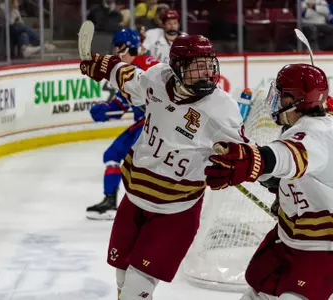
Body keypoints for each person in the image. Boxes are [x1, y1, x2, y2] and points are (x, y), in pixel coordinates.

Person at [79, 34, 247, 299]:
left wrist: (235, 164)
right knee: (122, 280)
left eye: (208, 64)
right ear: (177, 67)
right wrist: (106, 66)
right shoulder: (158, 77)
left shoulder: (221, 108)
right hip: (134, 200)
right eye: (197, 66)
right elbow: (131, 78)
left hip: (175, 211)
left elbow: (241, 153)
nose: (206, 72)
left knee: (136, 288)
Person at [205, 63, 333, 300]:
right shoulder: (323, 124)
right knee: (256, 293)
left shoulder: (315, 134)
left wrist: (252, 162)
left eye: (281, 95)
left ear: (296, 100)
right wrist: (272, 180)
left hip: (323, 249)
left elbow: (287, 155)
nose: (276, 101)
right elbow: (290, 166)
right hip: (289, 238)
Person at [86, 28, 159, 220]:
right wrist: (105, 110)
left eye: (118, 47)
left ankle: (149, 208)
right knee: (112, 154)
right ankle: (110, 202)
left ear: (128, 47)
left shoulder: (149, 65)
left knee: (141, 164)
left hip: (156, 125)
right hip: (143, 123)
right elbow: (121, 104)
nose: (116, 51)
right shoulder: (125, 73)